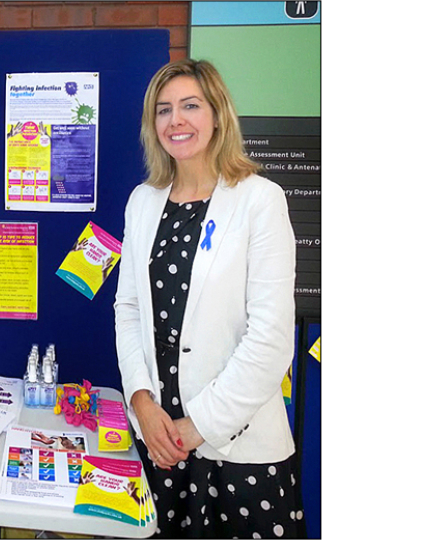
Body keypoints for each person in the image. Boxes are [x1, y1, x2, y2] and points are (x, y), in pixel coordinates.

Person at [114, 59, 302, 538]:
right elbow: (129, 310)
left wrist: (195, 427)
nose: (175, 120)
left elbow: (272, 340)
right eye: (163, 110)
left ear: (217, 114)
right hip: (161, 444)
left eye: (190, 106)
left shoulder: (260, 200)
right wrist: (141, 402)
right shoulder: (143, 201)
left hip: (238, 450)